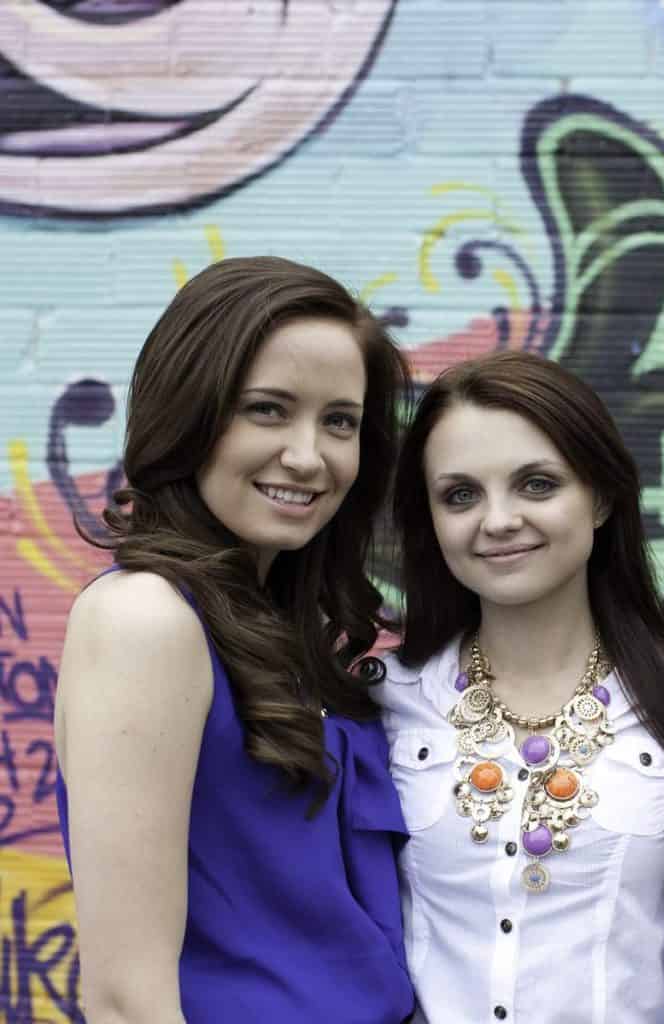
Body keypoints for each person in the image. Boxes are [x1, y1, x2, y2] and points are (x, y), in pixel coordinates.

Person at [53, 256, 415, 1024]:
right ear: (189, 414)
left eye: (340, 421)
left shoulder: (293, 632)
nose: (308, 456)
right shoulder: (146, 618)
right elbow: (125, 1000)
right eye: (267, 410)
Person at [371, 350, 664, 1023]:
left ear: (600, 497)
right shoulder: (385, 703)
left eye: (536, 484)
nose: (498, 520)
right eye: (460, 495)